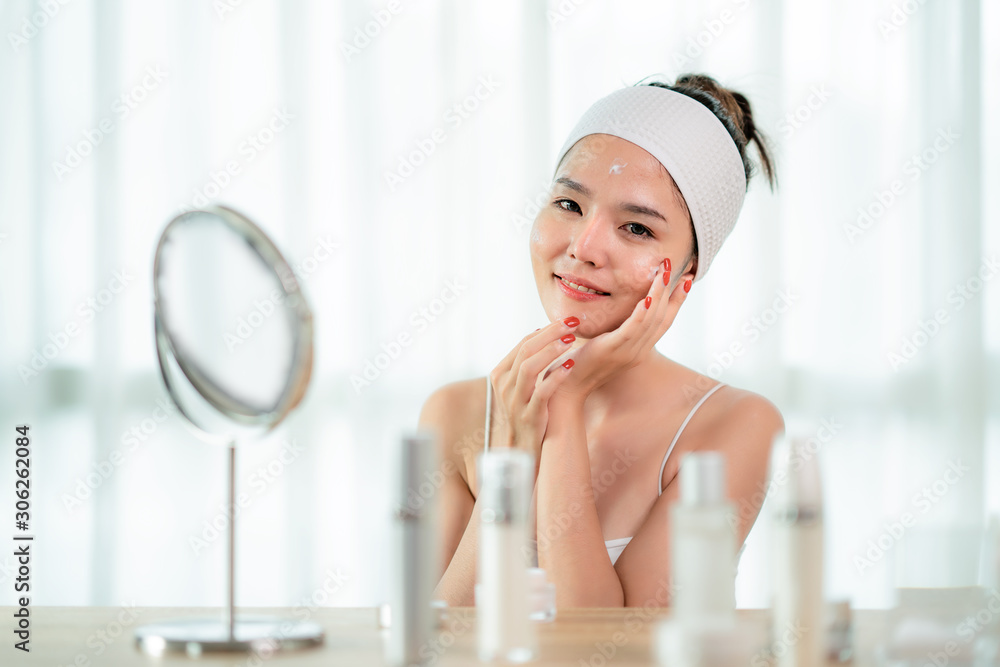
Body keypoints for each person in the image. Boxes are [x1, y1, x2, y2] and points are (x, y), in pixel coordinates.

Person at [419, 74, 784, 607]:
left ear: (684, 277)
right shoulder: (455, 412)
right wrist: (512, 457)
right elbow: (437, 646)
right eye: (569, 205)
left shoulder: (736, 426)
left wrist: (563, 409)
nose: (584, 248)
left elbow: (612, 651)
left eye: (637, 228)